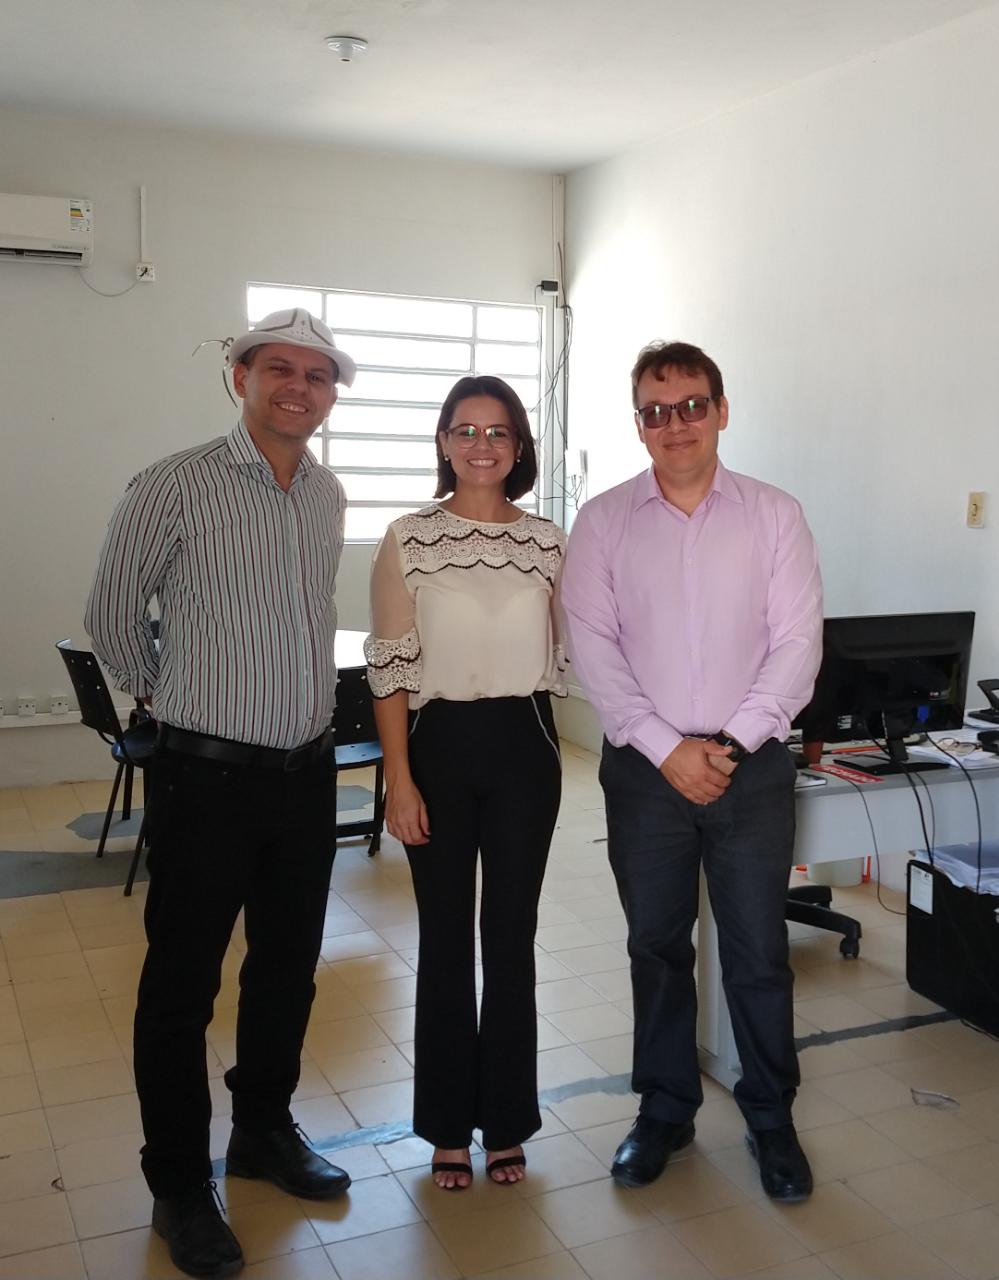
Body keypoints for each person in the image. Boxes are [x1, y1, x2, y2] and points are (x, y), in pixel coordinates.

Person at [86, 309, 357, 1278]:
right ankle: (177, 1182)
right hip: (205, 778)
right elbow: (112, 614)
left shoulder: (325, 494)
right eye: (278, 368)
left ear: (330, 395)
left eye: (316, 375)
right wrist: (168, 697)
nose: (298, 387)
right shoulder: (174, 483)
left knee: (287, 967)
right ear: (239, 378)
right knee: (181, 984)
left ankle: (262, 1130)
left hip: (306, 773)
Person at [561, 340, 822, 1203]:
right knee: (656, 947)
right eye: (655, 411)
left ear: (720, 410)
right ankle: (665, 1109)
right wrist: (664, 747)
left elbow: (796, 644)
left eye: (691, 405)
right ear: (638, 424)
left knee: (757, 951)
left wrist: (730, 746)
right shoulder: (603, 521)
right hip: (645, 773)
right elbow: (592, 647)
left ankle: (770, 1117)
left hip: (752, 769)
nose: (674, 424)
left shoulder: (773, 515)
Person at [364, 375, 565, 1191]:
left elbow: (581, 644)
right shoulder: (409, 538)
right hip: (436, 746)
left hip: (526, 746)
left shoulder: (549, 542)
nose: (482, 445)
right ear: (444, 443)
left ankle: (507, 1121)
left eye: (498, 431)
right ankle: (447, 1127)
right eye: (465, 430)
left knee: (510, 937)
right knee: (445, 939)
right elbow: (388, 670)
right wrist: (398, 780)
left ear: (518, 447)